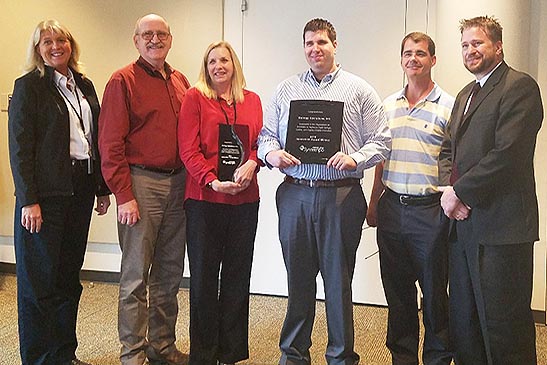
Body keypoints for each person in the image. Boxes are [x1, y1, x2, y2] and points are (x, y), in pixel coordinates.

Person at [258, 18, 391, 365]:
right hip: (295, 194)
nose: (315, 49)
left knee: (338, 284)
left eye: (321, 42)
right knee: (298, 283)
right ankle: (294, 355)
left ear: (335, 45)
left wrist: (355, 158)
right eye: (309, 44)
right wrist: (271, 154)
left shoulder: (359, 90)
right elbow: (265, 136)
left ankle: (341, 357)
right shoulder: (286, 89)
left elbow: (382, 141)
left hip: (341, 197)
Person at [439, 15, 543, 364]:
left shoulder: (520, 87)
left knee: (504, 327)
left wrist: (461, 193)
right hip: (464, 228)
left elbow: (508, 154)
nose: (470, 50)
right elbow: (447, 150)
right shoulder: (465, 95)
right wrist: (450, 191)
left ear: (498, 46)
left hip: (502, 230)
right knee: (465, 323)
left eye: (478, 43)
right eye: (465, 45)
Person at [8, 19, 111, 365]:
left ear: (71, 45)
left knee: (69, 279)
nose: (56, 46)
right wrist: (28, 200)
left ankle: (64, 354)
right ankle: (38, 359)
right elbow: (20, 149)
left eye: (62, 40)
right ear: (37, 49)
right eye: (47, 41)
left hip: (79, 190)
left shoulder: (84, 85)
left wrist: (101, 188)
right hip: (45, 198)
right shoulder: (29, 87)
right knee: (39, 284)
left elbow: (93, 141)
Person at [98, 14, 190, 365]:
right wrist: (123, 194)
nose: (155, 40)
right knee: (136, 276)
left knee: (169, 273)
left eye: (161, 34)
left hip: (178, 183)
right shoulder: (122, 80)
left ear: (170, 38)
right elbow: (110, 143)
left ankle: (162, 346)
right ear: (135, 40)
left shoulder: (179, 80)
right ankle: (132, 354)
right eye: (147, 34)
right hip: (140, 184)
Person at [366, 32, 453, 365]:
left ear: (433, 59)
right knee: (398, 297)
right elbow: (380, 160)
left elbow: (455, 162)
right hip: (391, 210)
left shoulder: (449, 106)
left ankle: (437, 358)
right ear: (401, 60)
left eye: (420, 53)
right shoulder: (387, 106)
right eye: (407, 53)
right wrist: (374, 204)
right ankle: (402, 358)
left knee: (434, 298)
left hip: (430, 213)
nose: (413, 59)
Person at [178, 41, 262, 365]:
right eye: (212, 61)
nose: (218, 66)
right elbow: (188, 149)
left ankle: (230, 353)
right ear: (206, 66)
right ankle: (203, 355)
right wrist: (212, 180)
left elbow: (258, 144)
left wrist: (253, 162)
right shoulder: (195, 98)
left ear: (234, 64)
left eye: (224, 60)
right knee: (203, 279)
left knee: (238, 278)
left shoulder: (252, 101)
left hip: (245, 202)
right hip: (204, 200)